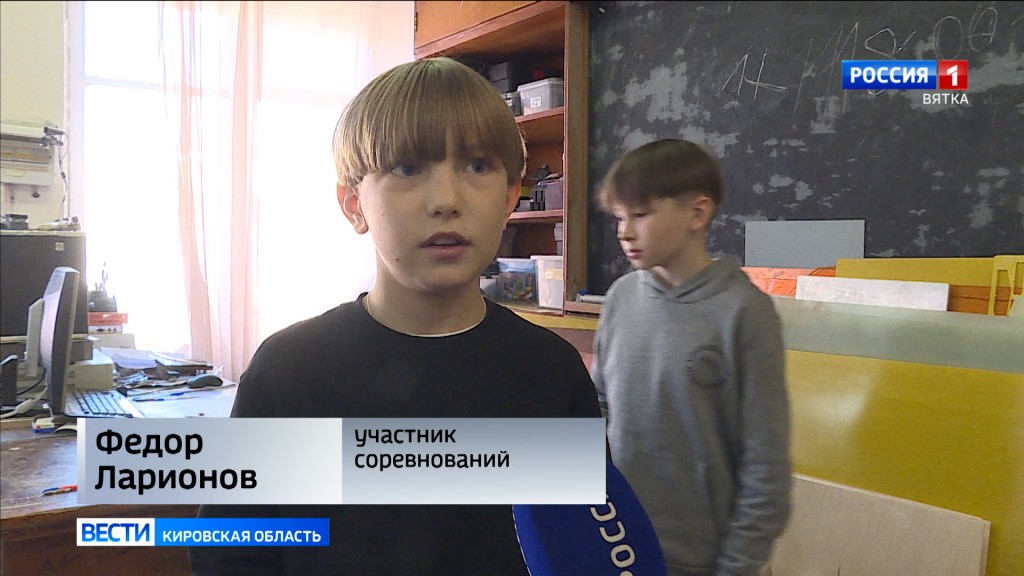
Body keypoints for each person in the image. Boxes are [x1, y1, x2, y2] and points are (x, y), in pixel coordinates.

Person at [190, 57, 601, 575]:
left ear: (508, 197)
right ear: (353, 204)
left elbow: (588, 550)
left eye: (477, 166)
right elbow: (230, 554)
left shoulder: (551, 373)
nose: (446, 200)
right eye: (407, 169)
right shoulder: (289, 371)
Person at [590, 139, 791, 576]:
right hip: (617, 548)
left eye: (640, 215)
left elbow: (766, 469)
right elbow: (596, 412)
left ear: (697, 214)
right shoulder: (621, 298)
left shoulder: (744, 313)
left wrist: (735, 569)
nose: (624, 232)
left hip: (701, 563)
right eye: (620, 217)